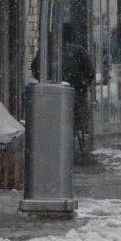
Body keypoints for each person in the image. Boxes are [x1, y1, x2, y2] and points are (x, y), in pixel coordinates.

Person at [31, 23, 95, 162]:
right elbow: (89, 73)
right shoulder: (79, 51)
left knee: (53, 125)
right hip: (73, 96)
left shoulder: (47, 50)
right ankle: (67, 152)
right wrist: (79, 86)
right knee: (71, 125)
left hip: (49, 97)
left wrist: (47, 82)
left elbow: (35, 70)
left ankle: (53, 152)